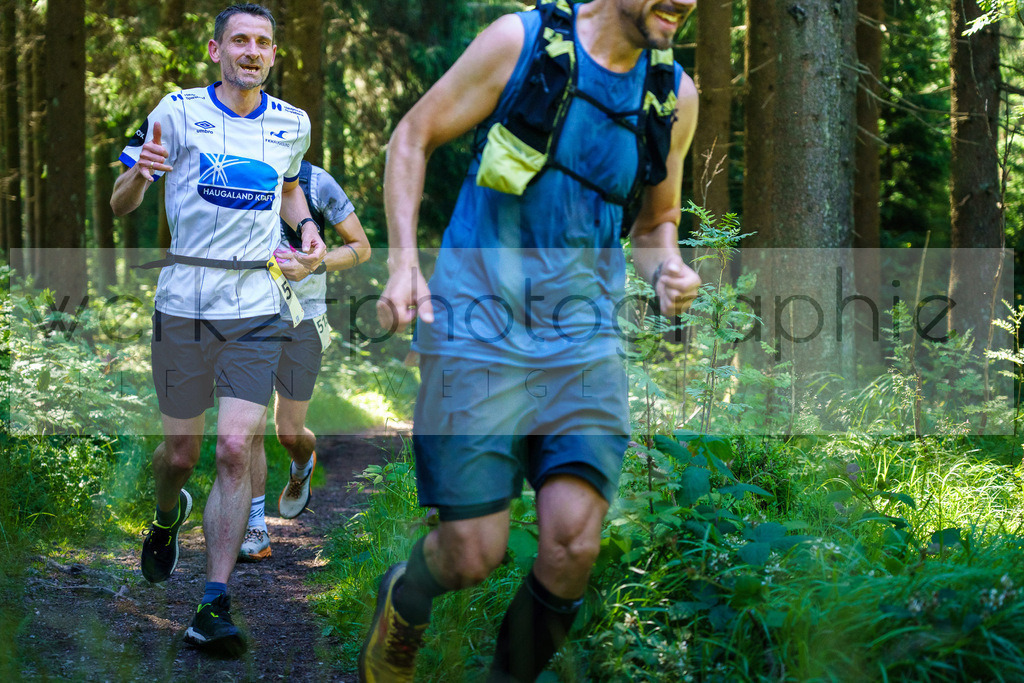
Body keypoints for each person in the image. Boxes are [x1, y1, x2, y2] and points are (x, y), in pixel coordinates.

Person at [359, 0, 701, 681]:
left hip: (585, 340)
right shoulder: (522, 41)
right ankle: (406, 593)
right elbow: (413, 136)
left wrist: (668, 269)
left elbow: (657, 222)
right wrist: (403, 264)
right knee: (471, 552)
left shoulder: (673, 94)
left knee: (573, 542)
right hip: (478, 326)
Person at [110, 3, 325, 658]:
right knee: (178, 456)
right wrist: (139, 175)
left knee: (235, 447)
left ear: (272, 54)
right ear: (216, 50)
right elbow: (121, 202)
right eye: (240, 40)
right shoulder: (174, 113)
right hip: (184, 303)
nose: (252, 50)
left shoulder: (292, 123)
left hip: (258, 305)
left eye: (263, 41)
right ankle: (167, 515)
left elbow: (288, 190)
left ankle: (213, 602)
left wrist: (308, 228)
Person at [238, 160, 371, 562]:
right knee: (249, 427)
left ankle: (303, 462)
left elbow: (361, 247)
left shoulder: (316, 182)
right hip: (248, 318)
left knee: (287, 432)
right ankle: (256, 527)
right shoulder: (238, 168)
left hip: (303, 320)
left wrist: (316, 262)